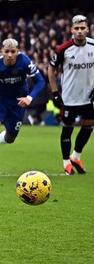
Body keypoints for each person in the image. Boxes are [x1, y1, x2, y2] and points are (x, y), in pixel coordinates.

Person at [0, 38, 45, 178]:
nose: (10, 55)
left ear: (17, 51)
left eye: (13, 52)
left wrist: (29, 98)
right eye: (7, 51)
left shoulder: (25, 62)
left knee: (10, 138)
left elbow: (40, 81)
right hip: (0, 100)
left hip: (18, 103)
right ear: (1, 52)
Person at [48, 14, 94, 175]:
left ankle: (76, 156)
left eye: (83, 28)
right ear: (71, 30)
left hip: (88, 97)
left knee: (88, 127)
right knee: (67, 130)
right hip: (69, 98)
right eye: (77, 28)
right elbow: (51, 68)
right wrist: (55, 92)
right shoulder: (64, 49)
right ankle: (66, 163)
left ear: (87, 29)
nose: (80, 31)